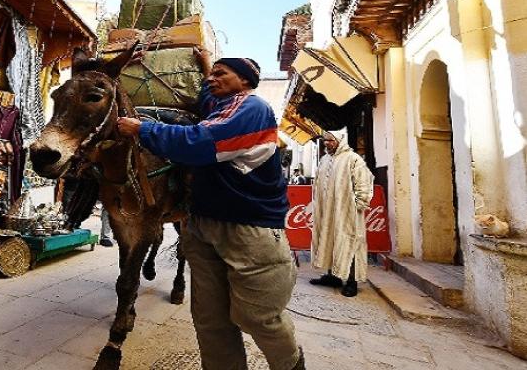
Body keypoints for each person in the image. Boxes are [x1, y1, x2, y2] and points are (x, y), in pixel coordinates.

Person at [117, 53, 304, 370]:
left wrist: (142, 130)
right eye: (210, 75)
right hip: (202, 226)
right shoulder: (219, 107)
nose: (211, 79)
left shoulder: (251, 108)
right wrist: (202, 66)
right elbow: (206, 98)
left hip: (247, 229)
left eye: (222, 73)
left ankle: (292, 366)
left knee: (259, 318)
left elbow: (199, 142)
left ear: (245, 80)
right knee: (210, 321)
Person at [310, 129, 374, 297]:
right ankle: (333, 276)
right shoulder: (324, 160)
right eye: (325, 141)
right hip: (327, 211)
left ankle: (351, 281)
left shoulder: (353, 159)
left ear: (339, 140)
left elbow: (364, 183)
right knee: (330, 241)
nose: (327, 143)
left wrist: (358, 205)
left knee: (348, 242)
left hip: (346, 212)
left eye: (330, 140)